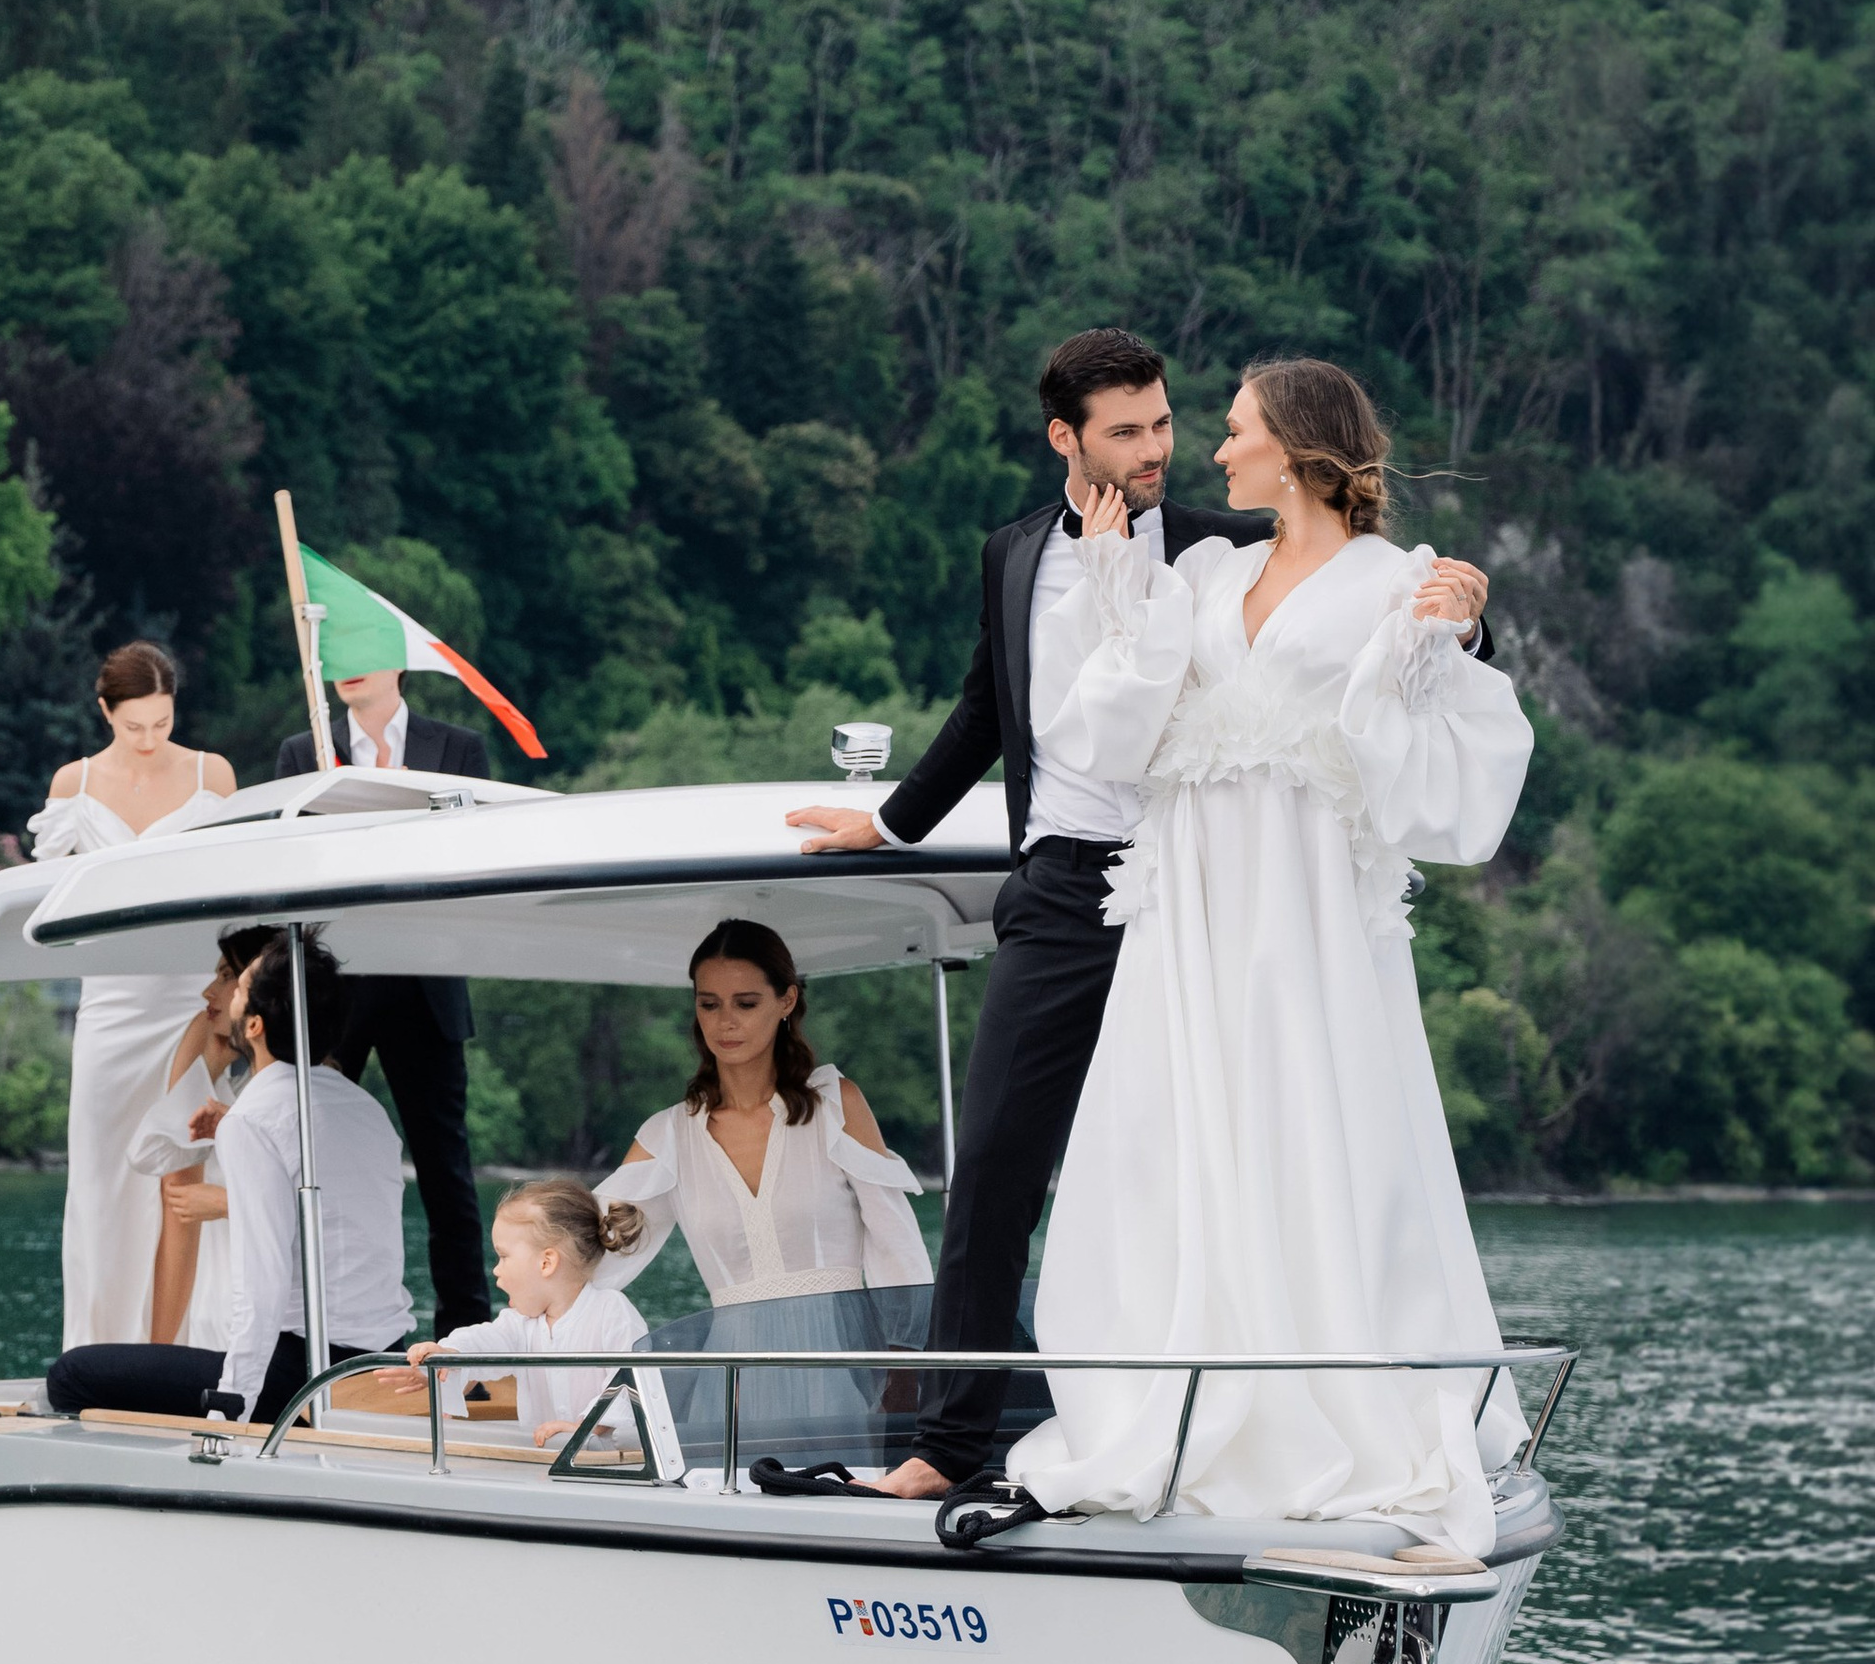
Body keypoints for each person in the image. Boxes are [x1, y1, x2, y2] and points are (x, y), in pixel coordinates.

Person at [785, 327, 1490, 1496]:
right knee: (996, 1164)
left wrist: (1465, 624)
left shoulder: (1227, 545)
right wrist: (893, 824)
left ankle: (1263, 1410)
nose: (1161, 448)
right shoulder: (1014, 553)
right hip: (1067, 888)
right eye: (1128, 431)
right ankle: (944, 1449)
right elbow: (985, 708)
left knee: (1238, 1148)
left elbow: (1367, 611)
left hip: (1223, 898)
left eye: (1168, 422)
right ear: (1064, 438)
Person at [1005, 359, 1534, 1552]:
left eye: (1233, 430)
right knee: (1171, 1128)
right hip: (1192, 899)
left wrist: (1450, 628)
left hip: (1302, 905)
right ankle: (1178, 1392)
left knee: (1309, 1118)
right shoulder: (1206, 571)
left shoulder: (1392, 579)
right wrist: (1110, 574)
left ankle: (1334, 1398)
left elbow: (1430, 721)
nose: (1213, 450)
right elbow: (1115, 720)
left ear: (1293, 447)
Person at [592, 920, 930, 1470]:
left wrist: (906, 1367)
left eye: (746, 1003)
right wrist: (493, 1337)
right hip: (732, 1379)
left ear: (786, 1001)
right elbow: (590, 1246)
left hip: (843, 1368)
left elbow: (898, 1244)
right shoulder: (670, 1135)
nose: (725, 1022)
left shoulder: (835, 1105)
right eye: (709, 1004)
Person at [47, 930, 414, 1427]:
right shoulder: (365, 1109)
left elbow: (262, 1287)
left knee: (71, 1375)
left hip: (304, 1370)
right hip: (381, 1357)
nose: (213, 993)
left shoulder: (255, 1119)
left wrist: (231, 1408)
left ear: (255, 1024)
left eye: (236, 987)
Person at [276, 653, 492, 1331]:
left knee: (446, 1176)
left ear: (398, 664)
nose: (348, 669)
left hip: (428, 981)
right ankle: (309, 1333)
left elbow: (482, 856)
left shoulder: (458, 748)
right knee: (307, 1166)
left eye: (364, 656)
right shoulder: (303, 753)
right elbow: (285, 865)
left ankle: (467, 1348)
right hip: (333, 985)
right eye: (337, 658)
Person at [31, 642, 235, 1347]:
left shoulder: (212, 775)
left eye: (162, 722)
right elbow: (51, 901)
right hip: (111, 1005)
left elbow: (236, 891)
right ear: (105, 711)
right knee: (98, 1179)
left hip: (191, 1003)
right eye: (134, 725)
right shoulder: (74, 784)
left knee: (183, 1171)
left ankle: (178, 1353)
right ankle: (95, 1349)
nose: (149, 739)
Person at [383, 1178, 681, 1467]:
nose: (496, 1270)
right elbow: (485, 1342)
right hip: (541, 1463)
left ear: (546, 1263)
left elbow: (630, 1381)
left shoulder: (612, 1311)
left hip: (611, 1467)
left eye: (503, 1256)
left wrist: (586, 1425)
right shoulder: (521, 1324)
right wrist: (447, 1357)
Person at [125, 921, 278, 1351]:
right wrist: (208, 1064)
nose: (208, 991)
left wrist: (228, 1203)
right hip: (217, 1304)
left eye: (227, 977)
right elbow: (155, 1161)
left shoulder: (295, 1096)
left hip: (261, 1308)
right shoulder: (217, 1067)